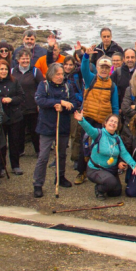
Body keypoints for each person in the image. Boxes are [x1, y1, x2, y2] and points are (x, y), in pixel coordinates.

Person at [32, 63, 81, 198]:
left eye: (61, 74)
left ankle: (60, 177)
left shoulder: (67, 86)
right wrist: (58, 102)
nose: (60, 77)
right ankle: (37, 183)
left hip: (62, 125)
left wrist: (64, 107)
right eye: (57, 74)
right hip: (46, 125)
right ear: (51, 75)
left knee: (62, 154)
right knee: (43, 156)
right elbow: (40, 100)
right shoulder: (44, 85)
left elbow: (73, 104)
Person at [75, 50, 120, 183]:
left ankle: (100, 169)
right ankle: (81, 172)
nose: (104, 70)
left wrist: (115, 121)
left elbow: (115, 106)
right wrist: (86, 56)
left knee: (101, 146)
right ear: (97, 67)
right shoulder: (91, 79)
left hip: (103, 121)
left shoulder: (112, 85)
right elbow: (84, 69)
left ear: (110, 69)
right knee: (84, 145)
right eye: (102, 67)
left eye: (107, 67)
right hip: (88, 119)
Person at [75, 111, 136, 199]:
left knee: (116, 192)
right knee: (111, 182)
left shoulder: (117, 138)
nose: (113, 123)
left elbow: (124, 153)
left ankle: (105, 182)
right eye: (111, 121)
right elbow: (89, 129)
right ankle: (99, 189)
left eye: (116, 122)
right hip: (96, 169)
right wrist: (82, 120)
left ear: (118, 126)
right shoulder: (98, 134)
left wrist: (134, 165)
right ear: (105, 123)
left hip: (111, 170)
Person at [0, 59, 24, 175]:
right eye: (1, 69)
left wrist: (11, 99)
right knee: (1, 143)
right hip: (0, 117)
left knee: (14, 142)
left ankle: (15, 165)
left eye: (5, 69)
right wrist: (0, 100)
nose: (4, 71)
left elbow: (21, 96)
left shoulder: (14, 81)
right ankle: (1, 166)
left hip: (14, 116)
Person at [11, 48, 44, 155]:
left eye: (27, 58)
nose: (25, 61)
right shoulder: (12, 71)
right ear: (18, 59)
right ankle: (20, 151)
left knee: (35, 131)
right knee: (19, 131)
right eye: (23, 59)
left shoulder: (35, 71)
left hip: (32, 107)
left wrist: (40, 103)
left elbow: (42, 86)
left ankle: (38, 150)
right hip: (18, 107)